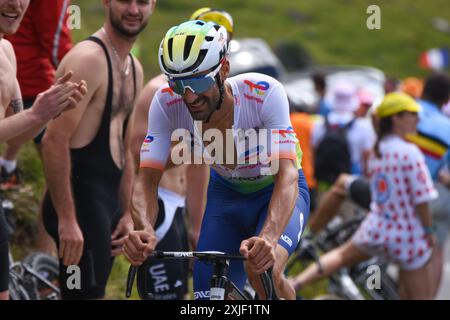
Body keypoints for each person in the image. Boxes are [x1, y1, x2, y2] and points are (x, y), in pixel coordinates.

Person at [123, 20, 310, 300]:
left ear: (223, 69)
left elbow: (287, 175)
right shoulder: (165, 102)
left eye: (197, 80)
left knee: (262, 271)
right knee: (207, 298)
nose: (189, 95)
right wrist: (144, 228)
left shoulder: (264, 93)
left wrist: (269, 236)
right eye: (177, 83)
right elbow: (146, 179)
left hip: (275, 189)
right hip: (226, 196)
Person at [41, 0, 156, 300]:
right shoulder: (88, 60)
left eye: (142, 2)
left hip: (105, 207)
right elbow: (54, 141)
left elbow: (125, 147)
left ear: (153, 5)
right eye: (124, 1)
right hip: (77, 207)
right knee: (80, 294)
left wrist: (127, 213)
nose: (133, 9)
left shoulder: (134, 67)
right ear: (106, 2)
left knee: (94, 292)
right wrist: (68, 219)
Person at [126, 7, 233, 300]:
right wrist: (193, 145)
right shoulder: (159, 92)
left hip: (183, 204)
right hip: (160, 200)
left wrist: (197, 224)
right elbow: (137, 156)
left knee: (195, 294)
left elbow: (199, 166)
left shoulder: (213, 95)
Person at [289, 93, 439, 300]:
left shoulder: (378, 150)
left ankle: (293, 283)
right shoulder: (410, 152)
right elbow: (422, 197)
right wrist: (429, 230)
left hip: (378, 227)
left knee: (341, 256)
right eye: (412, 114)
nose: (417, 119)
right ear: (396, 118)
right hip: (407, 235)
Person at [0, 0, 86, 300]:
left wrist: (50, 110)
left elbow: (14, 130)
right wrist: (38, 114)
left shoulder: (7, 50)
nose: (17, 4)